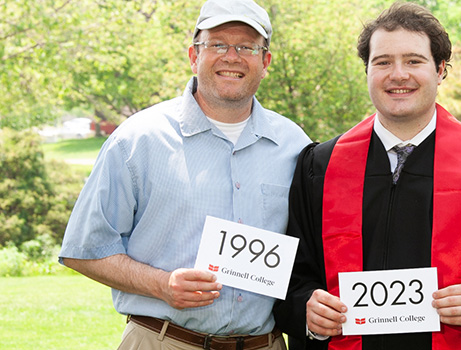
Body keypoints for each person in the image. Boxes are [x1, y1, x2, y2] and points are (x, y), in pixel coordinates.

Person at [272, 3, 461, 350]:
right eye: (383, 62)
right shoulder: (321, 166)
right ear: (367, 71)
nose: (398, 74)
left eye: (414, 61)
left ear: (441, 69)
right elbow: (289, 272)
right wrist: (305, 310)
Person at [58, 0, 311, 349]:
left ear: (265, 62)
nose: (232, 56)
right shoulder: (137, 140)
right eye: (217, 44)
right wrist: (161, 284)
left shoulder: (295, 145)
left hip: (263, 343)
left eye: (247, 47)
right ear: (193, 55)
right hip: (163, 340)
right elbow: (84, 249)